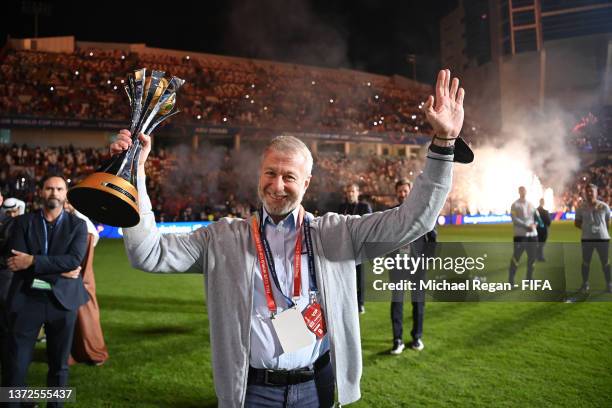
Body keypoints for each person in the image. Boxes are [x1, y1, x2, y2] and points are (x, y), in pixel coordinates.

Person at [112, 69, 467, 407]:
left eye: (289, 177)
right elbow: (148, 253)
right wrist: (135, 173)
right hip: (251, 392)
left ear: (307, 183)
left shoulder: (337, 233)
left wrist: (444, 144)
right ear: (259, 175)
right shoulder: (223, 238)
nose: (277, 185)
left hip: (316, 386)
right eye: (270, 173)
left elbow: (414, 220)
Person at [5, 175, 89, 401]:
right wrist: (58, 269)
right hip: (27, 300)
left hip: (62, 302)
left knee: (59, 367)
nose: (54, 192)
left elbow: (73, 261)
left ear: (65, 193)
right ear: (41, 192)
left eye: (59, 189)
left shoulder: (78, 225)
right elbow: (16, 261)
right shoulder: (23, 222)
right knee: (15, 368)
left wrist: (33, 261)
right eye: (49, 188)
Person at [389, 179, 437, 355]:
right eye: (400, 191)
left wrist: (427, 260)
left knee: (418, 303)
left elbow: (432, 237)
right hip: (397, 265)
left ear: (410, 192)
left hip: (418, 265)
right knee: (397, 302)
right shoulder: (391, 213)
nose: (402, 194)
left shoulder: (423, 211)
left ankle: (417, 337)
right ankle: (398, 340)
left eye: (405, 191)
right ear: (396, 193)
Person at [64, 203, 109, 366]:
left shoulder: (82, 225)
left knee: (84, 311)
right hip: (77, 278)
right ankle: (78, 351)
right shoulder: (76, 221)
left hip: (79, 278)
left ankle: (91, 352)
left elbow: (81, 260)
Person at [0, 193, 23, 385]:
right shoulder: (12, 224)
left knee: (10, 344)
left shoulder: (12, 224)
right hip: (6, 289)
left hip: (5, 289)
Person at [338, 183, 372, 313]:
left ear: (358, 193)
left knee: (360, 277)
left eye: (353, 191)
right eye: (348, 191)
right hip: (346, 246)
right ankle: (347, 302)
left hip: (360, 246)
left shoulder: (364, 207)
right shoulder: (342, 207)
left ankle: (360, 303)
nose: (350, 193)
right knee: (346, 276)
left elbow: (369, 226)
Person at [574, 184, 611, 293]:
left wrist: (600, 230)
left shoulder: (604, 206)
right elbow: (577, 222)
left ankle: (609, 284)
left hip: (602, 238)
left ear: (596, 192)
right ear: (585, 193)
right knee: (585, 262)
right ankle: (585, 284)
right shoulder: (581, 207)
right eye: (588, 191)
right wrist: (586, 228)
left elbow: (607, 222)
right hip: (587, 238)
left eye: (592, 191)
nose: (589, 193)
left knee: (605, 262)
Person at [508, 186, 538, 285]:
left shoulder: (531, 204)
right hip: (520, 235)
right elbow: (514, 219)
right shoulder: (514, 205)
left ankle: (529, 278)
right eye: (521, 190)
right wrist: (526, 226)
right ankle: (511, 279)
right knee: (516, 257)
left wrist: (535, 225)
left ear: (526, 191)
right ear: (519, 192)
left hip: (532, 235)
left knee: (532, 257)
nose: (523, 192)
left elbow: (536, 217)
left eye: (524, 190)